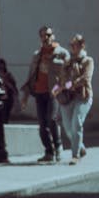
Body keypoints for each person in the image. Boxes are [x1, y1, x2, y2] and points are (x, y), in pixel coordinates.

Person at [20, 25, 69, 163]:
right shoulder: (37, 55)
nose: (45, 38)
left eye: (48, 35)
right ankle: (49, 152)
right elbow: (31, 77)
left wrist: (64, 88)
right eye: (42, 35)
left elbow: (72, 76)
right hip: (39, 93)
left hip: (53, 93)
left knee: (51, 120)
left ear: (53, 36)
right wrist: (25, 97)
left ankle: (58, 147)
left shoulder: (62, 53)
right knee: (42, 125)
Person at [59, 33, 94, 165]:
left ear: (82, 45)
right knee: (68, 128)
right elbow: (62, 79)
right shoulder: (67, 62)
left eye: (75, 45)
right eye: (71, 45)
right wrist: (57, 89)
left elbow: (85, 78)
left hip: (83, 97)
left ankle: (76, 155)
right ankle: (81, 148)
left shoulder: (88, 60)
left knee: (76, 123)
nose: (72, 47)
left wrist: (68, 85)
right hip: (68, 98)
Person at [0, 58, 19, 124]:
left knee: (5, 117)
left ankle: (4, 129)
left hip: (7, 99)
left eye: (2, 66)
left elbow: (13, 88)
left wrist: (6, 81)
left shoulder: (8, 75)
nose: (1, 68)